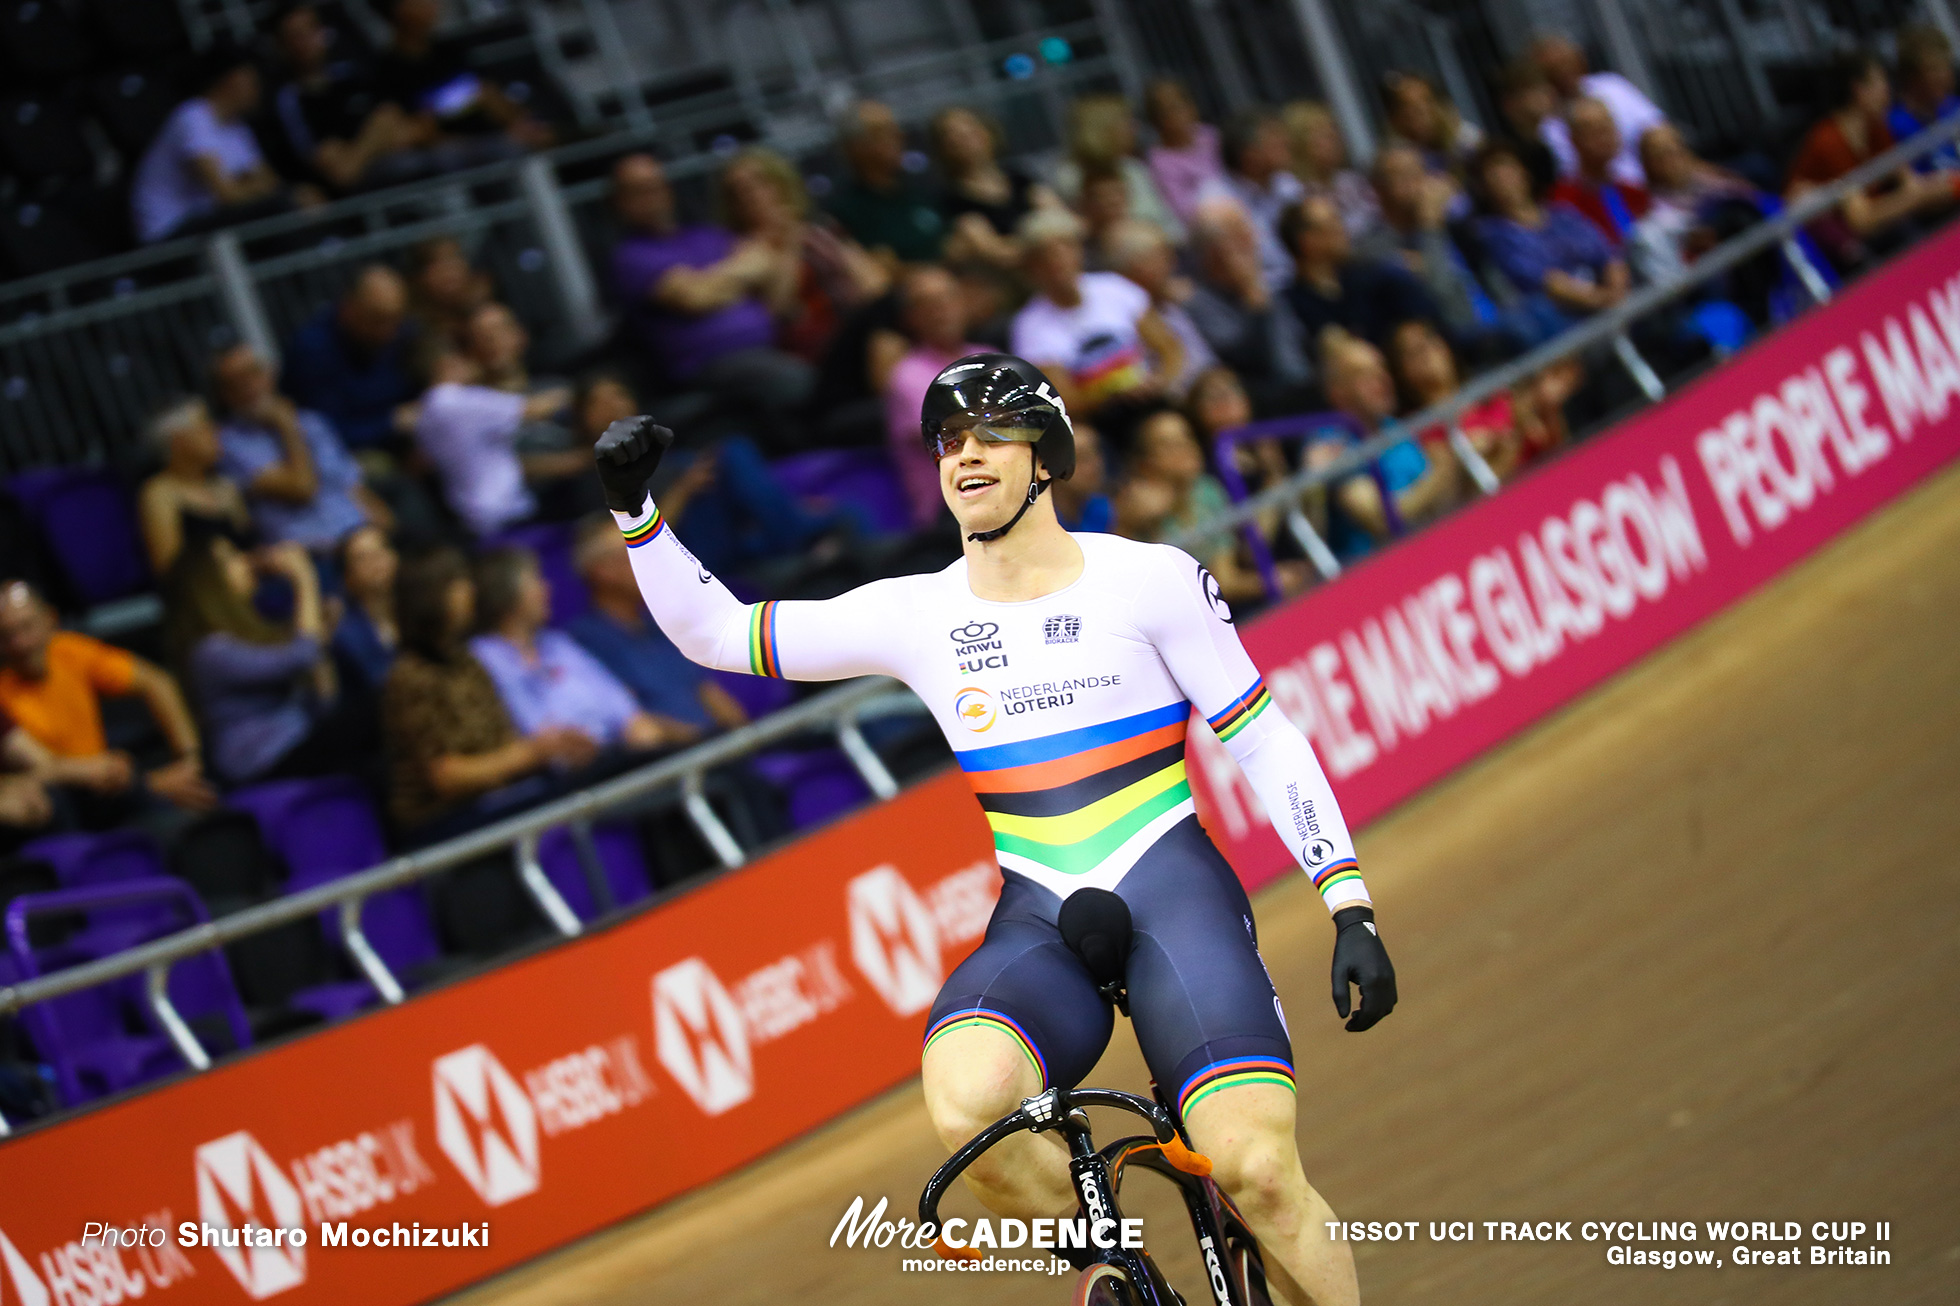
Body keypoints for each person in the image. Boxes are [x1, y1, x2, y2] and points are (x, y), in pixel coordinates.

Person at [593, 355, 1396, 1306]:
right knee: (965, 1104)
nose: (963, 454)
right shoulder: (917, 612)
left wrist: (1348, 903)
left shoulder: (1151, 581)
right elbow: (718, 636)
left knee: (1257, 1170)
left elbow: (1263, 740)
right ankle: (1124, 1277)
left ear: (1046, 458)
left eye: (988, 435)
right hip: (1040, 919)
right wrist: (636, 514)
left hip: (1174, 897)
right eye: (946, 440)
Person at [381, 548, 593, 837]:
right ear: (430, 597)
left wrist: (552, 747)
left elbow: (503, 736)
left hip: (499, 799)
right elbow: (445, 777)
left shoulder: (468, 661)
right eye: (457, 584)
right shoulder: (411, 676)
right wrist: (533, 753)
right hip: (446, 821)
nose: (470, 592)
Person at [609, 153, 816, 418]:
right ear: (619, 202)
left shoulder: (707, 235)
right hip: (711, 364)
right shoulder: (631, 257)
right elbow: (695, 297)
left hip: (772, 341)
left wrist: (780, 246)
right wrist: (742, 272)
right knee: (797, 381)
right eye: (637, 190)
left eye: (656, 186)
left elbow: (773, 285)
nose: (651, 195)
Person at [165, 533, 368, 785]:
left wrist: (321, 644)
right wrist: (303, 576)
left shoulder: (256, 631)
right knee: (371, 714)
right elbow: (301, 657)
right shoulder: (208, 652)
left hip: (298, 743)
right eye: (231, 558)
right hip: (261, 763)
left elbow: (324, 699)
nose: (247, 561)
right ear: (208, 583)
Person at [0, 581, 215, 816]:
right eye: (6, 635)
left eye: (27, 627)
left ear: (51, 619)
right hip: (64, 802)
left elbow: (156, 681)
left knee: (203, 796)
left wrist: (189, 760)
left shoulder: (70, 651)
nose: (20, 643)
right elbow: (43, 770)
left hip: (111, 784)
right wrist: (151, 785)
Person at [468, 546, 693, 755]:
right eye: (535, 581)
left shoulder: (558, 644)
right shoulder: (484, 657)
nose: (546, 588)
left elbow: (622, 709)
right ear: (506, 593)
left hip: (615, 753)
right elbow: (532, 728)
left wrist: (636, 727)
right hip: (556, 772)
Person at [566, 517, 750, 735]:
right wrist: (702, 742)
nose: (650, 565)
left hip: (717, 749)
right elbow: (626, 719)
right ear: (604, 572)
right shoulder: (586, 642)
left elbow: (704, 688)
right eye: (634, 555)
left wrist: (745, 737)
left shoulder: (659, 621)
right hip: (671, 759)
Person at [130, 41, 318, 243]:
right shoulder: (193, 116)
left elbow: (271, 183)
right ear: (233, 80)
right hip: (167, 232)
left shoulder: (238, 128)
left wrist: (293, 194)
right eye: (253, 80)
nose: (259, 89)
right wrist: (265, 191)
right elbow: (227, 195)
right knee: (279, 209)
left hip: (207, 222)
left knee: (297, 203)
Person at [211, 342, 387, 557]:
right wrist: (287, 428)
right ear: (224, 395)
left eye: (253, 373)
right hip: (312, 554)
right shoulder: (228, 445)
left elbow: (351, 485)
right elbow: (302, 488)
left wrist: (386, 527)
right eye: (236, 382)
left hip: (361, 537)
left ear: (270, 372)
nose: (250, 386)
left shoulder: (311, 421)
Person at [1787, 50, 1958, 268]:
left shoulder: (1876, 128)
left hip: (1875, 226)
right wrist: (1915, 197)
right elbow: (1862, 220)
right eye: (1880, 82)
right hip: (1836, 250)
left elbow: (1912, 182)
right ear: (1859, 89)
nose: (1888, 90)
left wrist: (1949, 186)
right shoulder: (1828, 141)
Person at [719, 147, 889, 364]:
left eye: (759, 184)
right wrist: (788, 243)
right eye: (738, 192)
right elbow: (780, 309)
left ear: (781, 185)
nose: (750, 196)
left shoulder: (818, 229)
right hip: (817, 343)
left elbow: (874, 282)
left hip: (858, 321)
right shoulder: (745, 250)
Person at [1010, 209, 1184, 417]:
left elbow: (1169, 348)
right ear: (1032, 269)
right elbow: (1060, 398)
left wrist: (1159, 382)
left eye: (1065, 248)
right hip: (1100, 417)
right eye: (1046, 257)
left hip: (1152, 396)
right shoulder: (1029, 326)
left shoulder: (1114, 287)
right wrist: (1114, 394)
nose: (1058, 261)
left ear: (1079, 251)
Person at [412, 330, 573, 537]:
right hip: (504, 509)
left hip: (471, 515)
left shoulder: (423, 415)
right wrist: (575, 391)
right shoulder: (461, 401)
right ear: (446, 362)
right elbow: (533, 409)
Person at [1318, 328, 1460, 555]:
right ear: (1338, 394)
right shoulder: (1332, 445)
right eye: (1364, 375)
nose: (1382, 379)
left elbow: (1445, 502)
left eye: (1381, 368)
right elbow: (1383, 519)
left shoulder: (1395, 426)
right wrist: (1445, 467)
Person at [1471, 140, 1628, 340]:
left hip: (1616, 302)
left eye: (1507, 167)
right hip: (1568, 326)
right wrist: (1604, 300)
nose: (1503, 177)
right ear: (1483, 187)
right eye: (1493, 174)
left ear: (1524, 173)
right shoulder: (1494, 235)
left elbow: (1609, 257)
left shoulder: (1563, 214)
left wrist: (1617, 295)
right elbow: (1548, 284)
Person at [1120, 406, 1272, 603]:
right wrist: (1128, 526)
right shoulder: (1134, 509)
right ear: (1146, 464)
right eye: (1168, 444)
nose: (1185, 447)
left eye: (1187, 437)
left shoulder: (1207, 491)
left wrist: (1274, 581)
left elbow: (1224, 579)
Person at [1358, 143, 1494, 345]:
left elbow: (1493, 277)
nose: (1416, 182)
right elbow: (1442, 291)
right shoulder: (1373, 248)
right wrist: (1429, 225)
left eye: (1418, 172)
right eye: (1402, 175)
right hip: (1454, 340)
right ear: (1378, 189)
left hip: (1499, 325)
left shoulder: (1452, 226)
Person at [372, 0, 550, 153]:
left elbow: (486, 92)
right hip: (443, 146)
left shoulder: (450, 51)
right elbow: (416, 127)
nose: (433, 5)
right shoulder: (388, 68)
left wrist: (520, 123)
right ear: (399, 10)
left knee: (539, 133)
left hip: (487, 133)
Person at [1184, 203, 1314, 411]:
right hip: (1270, 403)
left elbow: (1299, 340)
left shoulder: (1266, 282)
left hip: (1307, 387)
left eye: (1247, 231)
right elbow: (1248, 361)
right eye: (1238, 236)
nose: (1251, 241)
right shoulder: (1199, 303)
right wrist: (1255, 302)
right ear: (1212, 253)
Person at [886, 265, 989, 527]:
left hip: (1004, 490)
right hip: (952, 513)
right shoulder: (907, 376)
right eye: (927, 304)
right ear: (911, 318)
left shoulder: (988, 356)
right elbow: (961, 437)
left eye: (947, 298)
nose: (941, 309)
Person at [1279, 195, 1442, 353]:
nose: (1342, 229)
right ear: (1307, 241)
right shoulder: (1292, 306)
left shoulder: (1372, 277)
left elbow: (1428, 318)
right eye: (1332, 224)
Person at [284, 265, 420, 451]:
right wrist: (389, 423)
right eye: (377, 319)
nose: (389, 331)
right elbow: (327, 432)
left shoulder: (403, 331)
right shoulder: (313, 349)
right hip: (355, 452)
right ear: (347, 308)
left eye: (396, 319)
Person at [1387, 317, 1526, 482]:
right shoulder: (1415, 435)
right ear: (1401, 372)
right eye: (1414, 351)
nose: (1427, 352)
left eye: (1430, 340)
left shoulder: (1492, 392)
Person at [137, 397, 253, 576]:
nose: (216, 430)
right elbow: (170, 570)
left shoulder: (225, 486)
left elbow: (249, 546)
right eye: (205, 425)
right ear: (178, 441)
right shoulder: (158, 493)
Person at [1531, 31, 1666, 185]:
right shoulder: (1548, 127)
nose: (1564, 71)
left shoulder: (1612, 85)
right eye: (1554, 68)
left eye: (1567, 61)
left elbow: (1659, 130)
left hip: (1658, 183)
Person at [824, 100, 948, 265]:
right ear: (853, 146)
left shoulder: (922, 190)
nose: (897, 136)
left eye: (895, 128)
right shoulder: (845, 213)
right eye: (881, 131)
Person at [1104, 219, 1217, 397]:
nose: (1172, 262)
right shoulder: (1121, 319)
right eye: (1160, 256)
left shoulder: (1176, 300)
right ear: (1134, 267)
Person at [932, 106, 1056, 268]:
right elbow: (996, 252)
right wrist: (1042, 239)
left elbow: (1059, 219)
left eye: (971, 128)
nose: (966, 137)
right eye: (954, 134)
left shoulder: (1020, 177)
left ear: (987, 131)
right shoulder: (952, 200)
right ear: (943, 148)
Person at [1051, 94, 1184, 244]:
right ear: (1102, 128)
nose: (1134, 127)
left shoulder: (1132, 166)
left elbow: (1166, 221)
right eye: (1126, 121)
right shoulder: (1072, 174)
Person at [1199, 108, 1305, 291]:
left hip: (1301, 284)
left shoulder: (1286, 183)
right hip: (1261, 294)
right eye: (1275, 141)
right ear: (1250, 154)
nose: (1286, 142)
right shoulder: (1215, 202)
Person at [1549, 98, 1651, 248]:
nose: (1604, 136)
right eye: (1592, 130)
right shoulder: (1564, 203)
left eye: (1607, 126)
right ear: (1573, 139)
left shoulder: (1634, 192)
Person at [1281, 101, 1380, 238]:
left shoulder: (1351, 180)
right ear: (1299, 144)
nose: (1334, 138)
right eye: (1322, 135)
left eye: (1333, 131)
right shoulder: (1294, 194)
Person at [406, 235, 495, 377]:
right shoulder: (416, 327)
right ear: (420, 277)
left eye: (454, 259)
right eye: (436, 263)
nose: (449, 271)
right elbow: (447, 376)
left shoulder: (484, 305)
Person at [1143, 78, 1225, 226]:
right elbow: (1184, 211)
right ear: (1155, 120)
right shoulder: (1159, 160)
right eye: (1168, 110)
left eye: (1182, 105)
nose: (1179, 114)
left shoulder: (1211, 135)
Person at [331, 523, 398, 697]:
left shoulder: (422, 602)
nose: (376, 561)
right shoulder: (347, 635)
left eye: (381, 550)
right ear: (347, 578)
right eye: (362, 557)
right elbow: (382, 684)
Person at [1380, 70, 1482, 181]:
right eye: (1408, 105)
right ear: (1394, 117)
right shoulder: (1396, 159)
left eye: (1426, 101)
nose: (1421, 110)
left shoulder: (1467, 140)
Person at [1890, 23, 1960, 173]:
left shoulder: (1955, 107)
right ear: (1912, 76)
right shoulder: (1895, 126)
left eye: (1946, 66)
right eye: (1933, 69)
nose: (1944, 76)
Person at [1490, 58, 1563, 199]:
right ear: (1510, 103)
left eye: (1545, 87)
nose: (1547, 95)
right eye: (1535, 90)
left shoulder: (1558, 136)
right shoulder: (1510, 153)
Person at [1048, 420, 1113, 534]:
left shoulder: (1104, 509)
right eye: (1081, 458)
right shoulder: (1038, 520)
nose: (1095, 466)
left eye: (1096, 454)